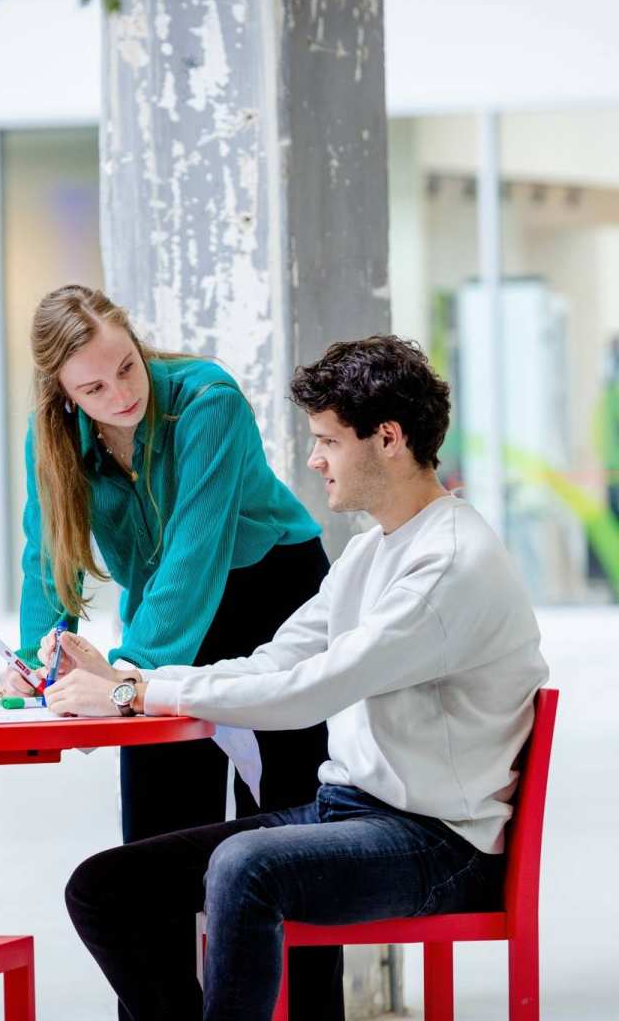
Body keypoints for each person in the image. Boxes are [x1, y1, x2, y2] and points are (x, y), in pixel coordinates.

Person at [45, 335, 549, 1021]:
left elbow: (305, 694)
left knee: (245, 867)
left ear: (389, 438)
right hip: (352, 815)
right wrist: (136, 675)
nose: (313, 461)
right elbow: (277, 660)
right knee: (106, 886)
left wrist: (132, 693)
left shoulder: (447, 566)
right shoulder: (374, 549)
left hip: (437, 843)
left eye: (328, 441)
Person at [0, 284, 341, 1019]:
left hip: (272, 599)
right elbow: (46, 555)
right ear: (60, 391)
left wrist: (127, 676)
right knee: (152, 848)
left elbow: (195, 551)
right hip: (163, 615)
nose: (120, 393)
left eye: (126, 366)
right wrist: (39, 656)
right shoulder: (50, 437)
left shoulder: (205, 400)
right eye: (92, 385)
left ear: (135, 343)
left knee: (295, 830)